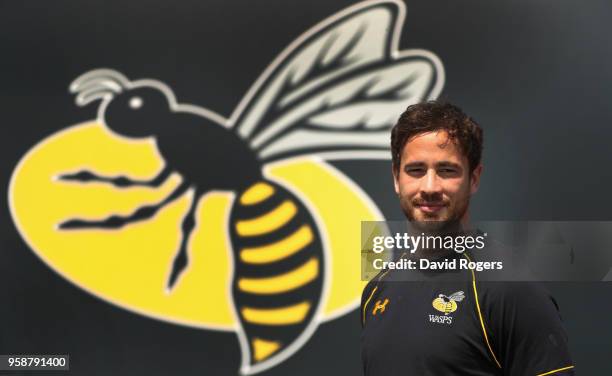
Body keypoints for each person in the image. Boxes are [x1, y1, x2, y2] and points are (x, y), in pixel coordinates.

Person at [360, 101, 574, 375]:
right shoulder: (377, 289)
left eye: (447, 170)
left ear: (474, 179)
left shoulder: (510, 289)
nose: (430, 187)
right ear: (396, 178)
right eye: (416, 170)